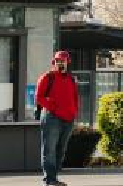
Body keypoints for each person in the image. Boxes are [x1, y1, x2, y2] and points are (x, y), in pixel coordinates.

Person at [35, 50, 79, 186]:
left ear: (67, 63)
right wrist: (52, 107)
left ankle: (54, 177)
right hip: (51, 118)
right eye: (58, 61)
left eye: (63, 61)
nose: (61, 63)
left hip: (68, 119)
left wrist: (74, 112)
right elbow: (38, 97)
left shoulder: (71, 79)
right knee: (49, 149)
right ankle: (49, 179)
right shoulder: (47, 77)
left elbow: (75, 98)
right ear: (54, 62)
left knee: (61, 149)